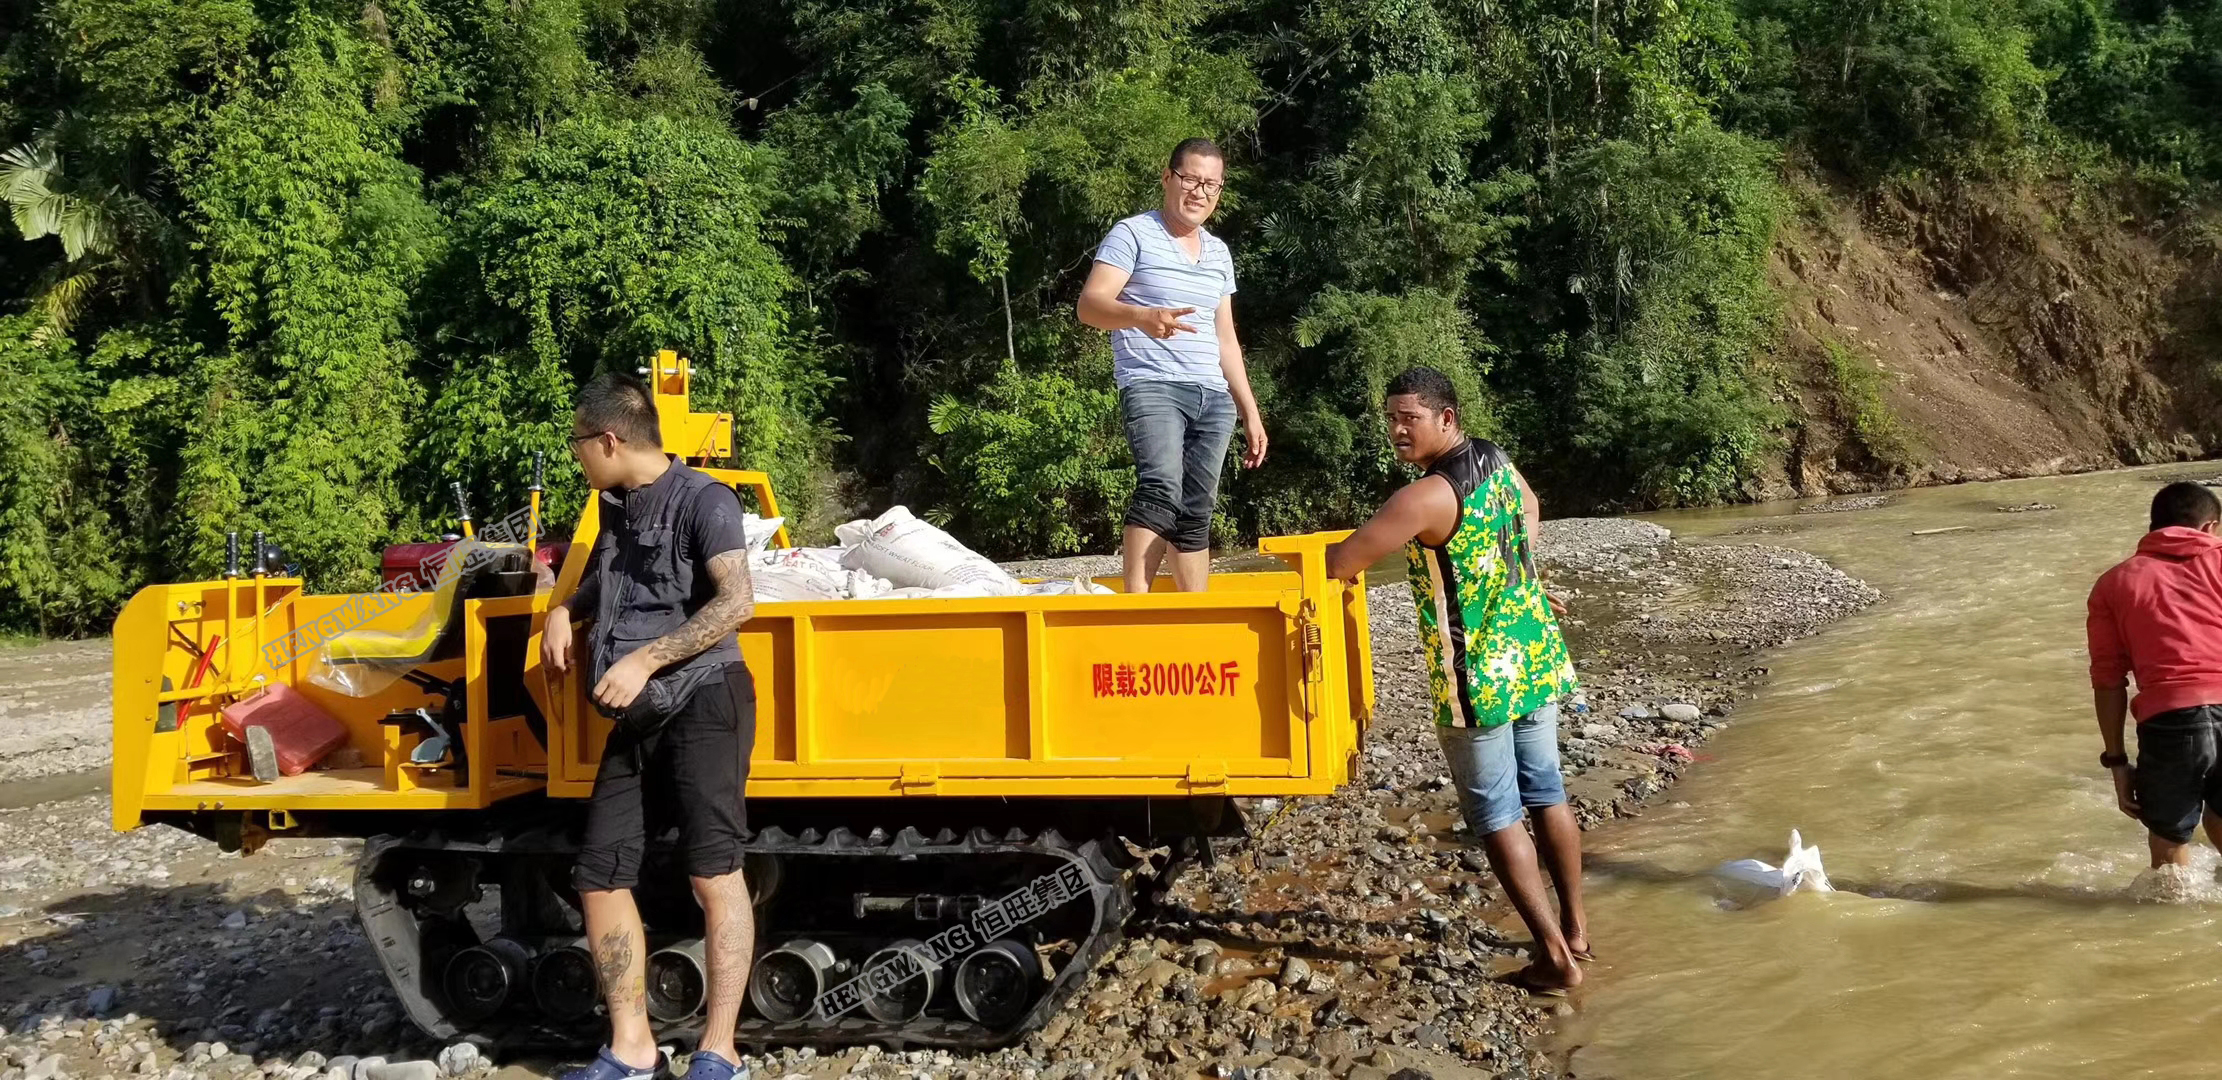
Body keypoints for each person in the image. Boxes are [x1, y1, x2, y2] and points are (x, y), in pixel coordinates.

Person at [1322, 367, 1588, 995]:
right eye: (1390, 417)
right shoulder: (1494, 458)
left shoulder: (1424, 497)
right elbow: (1529, 505)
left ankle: (1556, 958)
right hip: (1533, 652)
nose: (1395, 430)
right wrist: (1515, 576)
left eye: (1408, 418)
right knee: (1546, 792)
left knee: (1496, 813)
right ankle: (1576, 929)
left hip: (1476, 679)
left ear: (1446, 418)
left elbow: (1343, 561)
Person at [542, 372, 760, 1080]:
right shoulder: (617, 505)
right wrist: (560, 610)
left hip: (704, 699)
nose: (577, 456)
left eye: (580, 443)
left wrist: (645, 659)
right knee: (600, 873)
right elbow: (615, 580)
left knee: (714, 873)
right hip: (636, 717)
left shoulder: (705, 500)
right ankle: (632, 1049)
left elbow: (737, 604)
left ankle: (718, 1051)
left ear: (609, 439)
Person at [1077, 137, 1268, 594]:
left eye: (1211, 185)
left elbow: (1226, 337)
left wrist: (1250, 410)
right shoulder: (1133, 234)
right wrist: (1142, 317)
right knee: (1161, 488)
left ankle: (1194, 614)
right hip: (1153, 385)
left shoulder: (1219, 253)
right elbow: (1090, 306)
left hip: (1213, 397)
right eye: (1190, 180)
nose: (1199, 192)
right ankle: (1138, 611)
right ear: (1168, 178)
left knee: (1197, 507)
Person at [2085, 480, 2222, 869]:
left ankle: (2174, 920)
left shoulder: (2114, 583)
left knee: (2170, 839)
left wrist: (2116, 761)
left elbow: (2108, 679)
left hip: (2171, 722)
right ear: (2209, 528)